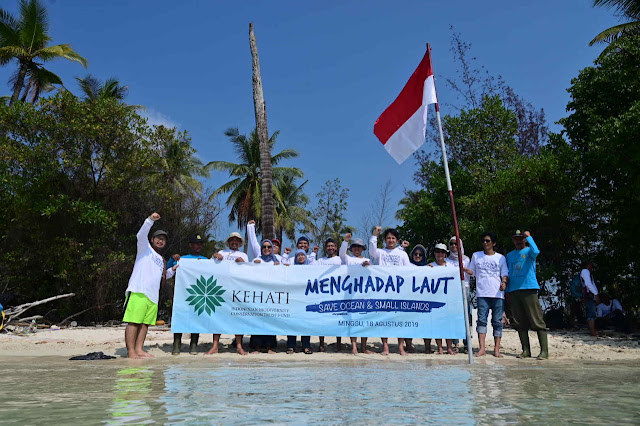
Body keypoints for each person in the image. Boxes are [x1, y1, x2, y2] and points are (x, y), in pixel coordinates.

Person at [123, 213, 178, 359]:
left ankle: (139, 349)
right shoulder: (144, 249)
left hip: (153, 296)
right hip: (139, 291)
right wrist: (149, 220)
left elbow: (163, 276)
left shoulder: (162, 259)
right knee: (134, 322)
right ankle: (131, 352)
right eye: (158, 239)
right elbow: (140, 235)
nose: (160, 241)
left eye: (163, 240)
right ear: (152, 240)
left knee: (145, 324)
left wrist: (173, 270)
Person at [505, 230, 548, 360]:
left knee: (537, 320)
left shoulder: (529, 251)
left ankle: (544, 351)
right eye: (516, 238)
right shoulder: (509, 255)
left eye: (521, 238)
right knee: (519, 321)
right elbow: (508, 273)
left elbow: (536, 251)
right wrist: (507, 292)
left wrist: (529, 237)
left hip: (529, 288)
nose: (518, 240)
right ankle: (526, 350)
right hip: (514, 290)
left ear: (524, 240)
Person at [369, 226, 411, 355]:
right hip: (383, 291)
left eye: (393, 238)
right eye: (388, 238)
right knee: (384, 319)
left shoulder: (402, 254)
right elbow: (371, 251)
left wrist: (426, 268)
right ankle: (385, 347)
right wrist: (375, 235)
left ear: (397, 240)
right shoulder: (380, 252)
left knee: (400, 319)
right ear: (385, 240)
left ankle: (400, 347)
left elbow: (409, 270)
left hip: (399, 291)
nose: (391, 240)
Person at [469, 232, 508, 358]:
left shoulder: (501, 258)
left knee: (497, 321)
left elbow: (504, 273)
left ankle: (496, 349)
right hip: (482, 293)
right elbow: (471, 272)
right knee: (481, 321)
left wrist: (504, 283)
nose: (485, 243)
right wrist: (462, 268)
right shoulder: (476, 256)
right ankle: (482, 349)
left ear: (494, 243)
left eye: (488, 241)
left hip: (497, 294)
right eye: (483, 241)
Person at [209, 232, 249, 355]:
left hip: (237, 289)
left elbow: (249, 271)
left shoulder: (244, 255)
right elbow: (208, 265)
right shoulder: (221, 253)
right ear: (229, 242)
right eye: (232, 240)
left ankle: (239, 346)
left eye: (237, 240)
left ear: (240, 243)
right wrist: (214, 255)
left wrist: (243, 262)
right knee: (218, 317)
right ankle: (215, 346)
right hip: (221, 289)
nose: (234, 242)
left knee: (238, 317)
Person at [168, 234, 208, 355]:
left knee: (196, 317)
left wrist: (216, 260)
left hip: (199, 294)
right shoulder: (182, 259)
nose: (198, 246)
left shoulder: (205, 260)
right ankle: (176, 344)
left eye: (200, 244)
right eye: (196, 243)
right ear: (190, 245)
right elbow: (168, 270)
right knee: (179, 317)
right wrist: (172, 258)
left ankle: (194, 345)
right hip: (182, 294)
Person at [339, 233, 372, 354]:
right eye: (354, 247)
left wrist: (368, 266)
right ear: (351, 248)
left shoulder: (367, 260)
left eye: (359, 247)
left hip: (364, 294)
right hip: (350, 294)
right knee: (352, 320)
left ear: (363, 249)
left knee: (364, 320)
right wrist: (345, 241)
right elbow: (341, 254)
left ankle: (363, 347)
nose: (357, 249)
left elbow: (374, 273)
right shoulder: (348, 259)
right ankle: (354, 345)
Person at [249, 237, 279, 354]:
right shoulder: (257, 260)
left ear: (272, 248)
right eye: (264, 247)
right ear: (261, 249)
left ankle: (269, 347)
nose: (267, 249)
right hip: (258, 295)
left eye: (269, 247)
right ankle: (256, 347)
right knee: (257, 320)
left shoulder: (276, 261)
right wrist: (254, 265)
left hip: (272, 296)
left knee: (270, 320)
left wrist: (280, 267)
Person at [425, 243, 457, 355]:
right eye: (438, 251)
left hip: (448, 300)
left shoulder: (451, 267)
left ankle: (449, 347)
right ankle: (439, 347)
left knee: (448, 324)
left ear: (445, 254)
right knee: (437, 324)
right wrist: (425, 270)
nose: (440, 254)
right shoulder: (429, 266)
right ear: (434, 253)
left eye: (442, 252)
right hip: (435, 300)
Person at [312, 238, 343, 352]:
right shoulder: (321, 260)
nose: (330, 248)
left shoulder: (340, 260)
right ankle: (321, 344)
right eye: (328, 246)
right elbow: (309, 266)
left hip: (337, 292)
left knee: (337, 317)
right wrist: (313, 253)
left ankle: (339, 343)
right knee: (322, 318)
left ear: (336, 247)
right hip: (323, 293)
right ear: (325, 248)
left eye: (332, 246)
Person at [447, 236, 474, 353]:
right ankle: (455, 343)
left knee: (466, 317)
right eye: (452, 244)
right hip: (452, 290)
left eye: (456, 244)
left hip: (465, 288)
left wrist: (464, 269)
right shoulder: (447, 260)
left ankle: (467, 343)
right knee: (453, 317)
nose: (454, 246)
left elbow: (472, 273)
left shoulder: (466, 259)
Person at [286, 249, 313, 354]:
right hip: (293, 299)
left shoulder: (312, 269)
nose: (301, 257)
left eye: (303, 255)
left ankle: (306, 346)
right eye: (298, 255)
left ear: (306, 257)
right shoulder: (291, 269)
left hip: (306, 300)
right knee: (292, 322)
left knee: (305, 323)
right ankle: (291, 346)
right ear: (295, 257)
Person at [581, 261, 600, 337]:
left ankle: (592, 330)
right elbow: (588, 283)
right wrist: (596, 294)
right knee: (591, 313)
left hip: (590, 294)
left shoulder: (586, 272)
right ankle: (592, 331)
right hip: (589, 295)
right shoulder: (585, 271)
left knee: (591, 312)